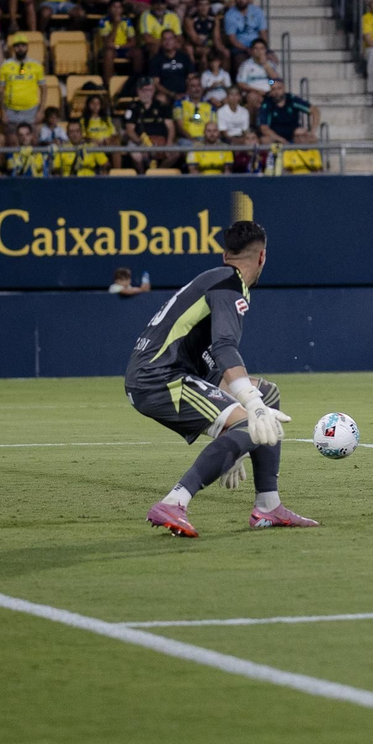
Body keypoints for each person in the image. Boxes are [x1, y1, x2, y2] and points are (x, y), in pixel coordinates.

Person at [127, 222, 318, 538]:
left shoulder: (215, 279)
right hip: (161, 379)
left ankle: (268, 505)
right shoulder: (230, 286)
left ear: (225, 254)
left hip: (171, 372)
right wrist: (249, 405)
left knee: (267, 394)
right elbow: (224, 346)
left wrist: (238, 435)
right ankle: (175, 501)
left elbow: (209, 358)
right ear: (262, 258)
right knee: (252, 417)